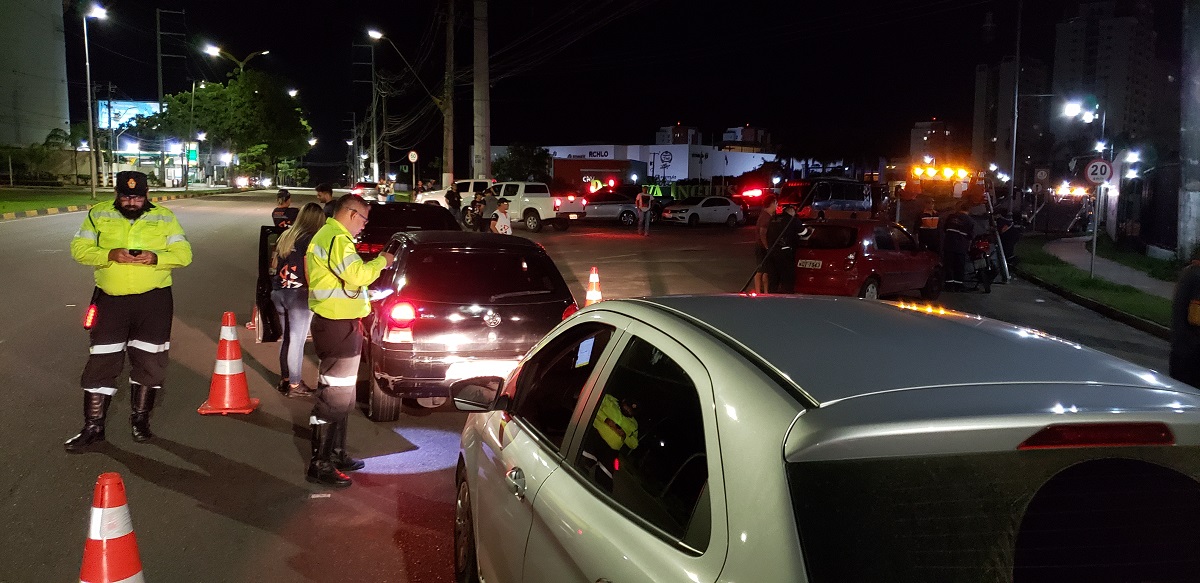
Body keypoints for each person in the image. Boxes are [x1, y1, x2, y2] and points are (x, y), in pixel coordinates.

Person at [65, 170, 193, 452]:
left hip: (154, 301)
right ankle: (93, 428)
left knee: (150, 360)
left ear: (147, 195)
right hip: (110, 301)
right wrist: (109, 254)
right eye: (125, 196)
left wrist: (155, 258)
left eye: (136, 197)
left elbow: (184, 255)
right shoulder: (98, 214)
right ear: (117, 195)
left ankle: (140, 421)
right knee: (102, 360)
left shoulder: (165, 217)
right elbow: (78, 249)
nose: (131, 202)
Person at [304, 194, 394, 487]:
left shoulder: (330, 236)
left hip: (339, 323)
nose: (363, 227)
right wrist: (382, 261)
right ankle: (321, 463)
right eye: (364, 220)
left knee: (343, 394)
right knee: (334, 395)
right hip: (336, 325)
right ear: (352, 214)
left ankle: (337, 453)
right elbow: (357, 275)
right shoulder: (336, 238)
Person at [270, 203, 324, 398]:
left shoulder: (286, 235)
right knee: (297, 341)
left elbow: (274, 264)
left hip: (279, 292)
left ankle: (285, 380)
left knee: (287, 338)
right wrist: (315, 292)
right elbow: (308, 269)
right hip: (299, 295)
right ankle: (295, 384)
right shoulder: (310, 239)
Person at [1171, 261, 1200, 387]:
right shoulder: (1197, 276)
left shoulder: (1190, 271)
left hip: (1181, 350)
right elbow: (1195, 318)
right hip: (1192, 355)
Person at [766, 204, 803, 293]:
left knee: (773, 279)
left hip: (771, 253)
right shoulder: (793, 220)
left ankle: (772, 297)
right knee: (787, 280)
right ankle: (786, 298)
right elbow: (804, 233)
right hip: (785, 253)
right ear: (791, 211)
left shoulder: (773, 219)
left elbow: (767, 234)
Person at [942, 202, 976, 291]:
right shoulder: (970, 221)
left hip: (948, 244)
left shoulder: (951, 217)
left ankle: (948, 284)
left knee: (948, 265)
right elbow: (970, 236)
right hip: (961, 246)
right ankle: (958, 285)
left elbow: (945, 229)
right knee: (959, 266)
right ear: (968, 210)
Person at [754, 195, 778, 293]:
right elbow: (762, 233)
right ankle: (759, 291)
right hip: (762, 247)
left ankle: (765, 291)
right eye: (776, 203)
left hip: (762, 246)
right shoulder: (766, 217)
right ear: (772, 203)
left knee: (765, 271)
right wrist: (767, 247)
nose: (777, 206)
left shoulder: (766, 215)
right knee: (761, 270)